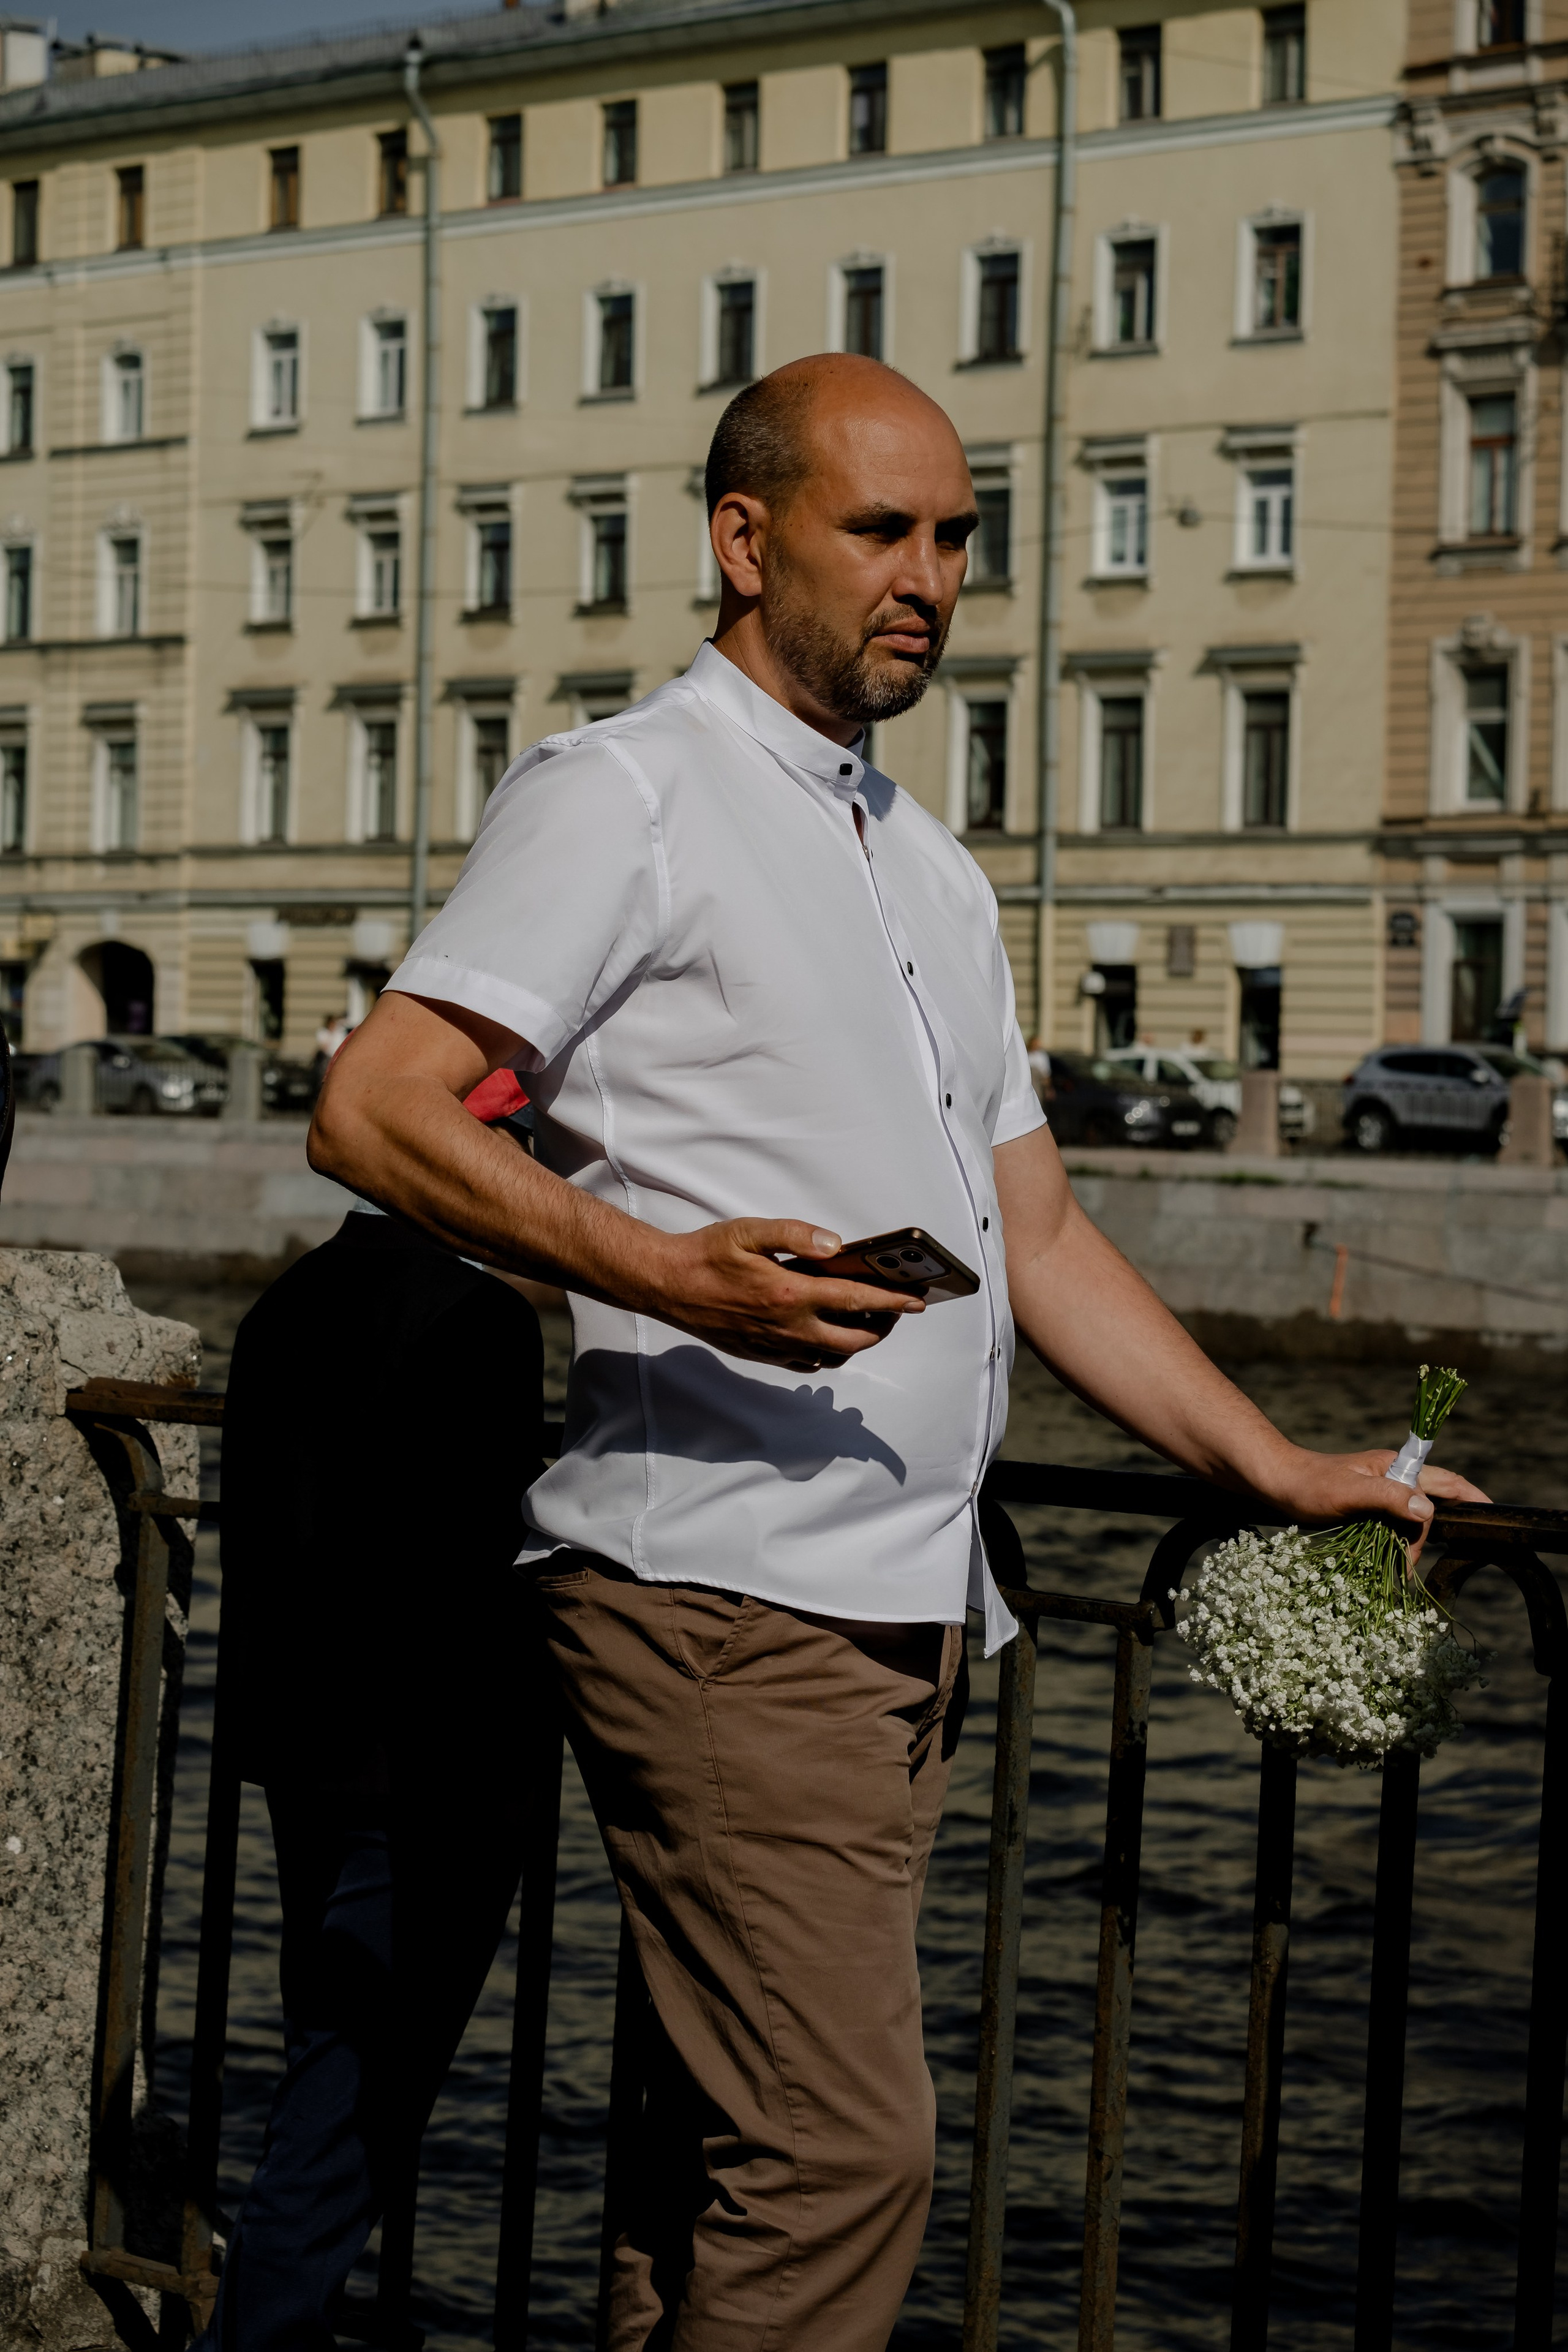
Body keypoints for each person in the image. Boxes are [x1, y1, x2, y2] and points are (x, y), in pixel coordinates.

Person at [307, 353, 1484, 2351]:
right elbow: (379, 1107)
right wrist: (673, 1278)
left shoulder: (921, 856)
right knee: (850, 2157)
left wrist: (1271, 1466)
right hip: (720, 1595)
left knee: (724, 2157)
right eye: (883, 531)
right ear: (746, 540)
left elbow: (1033, 1229)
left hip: (891, 1604)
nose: (930, 575)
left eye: (955, 535)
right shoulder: (628, 793)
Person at [202, 1071, 546, 2350]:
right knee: (347, 2115)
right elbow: (472, 1579)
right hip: (427, 1783)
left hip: (310, 1762)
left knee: (331, 2077)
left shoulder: (285, 1304)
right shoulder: (482, 1322)